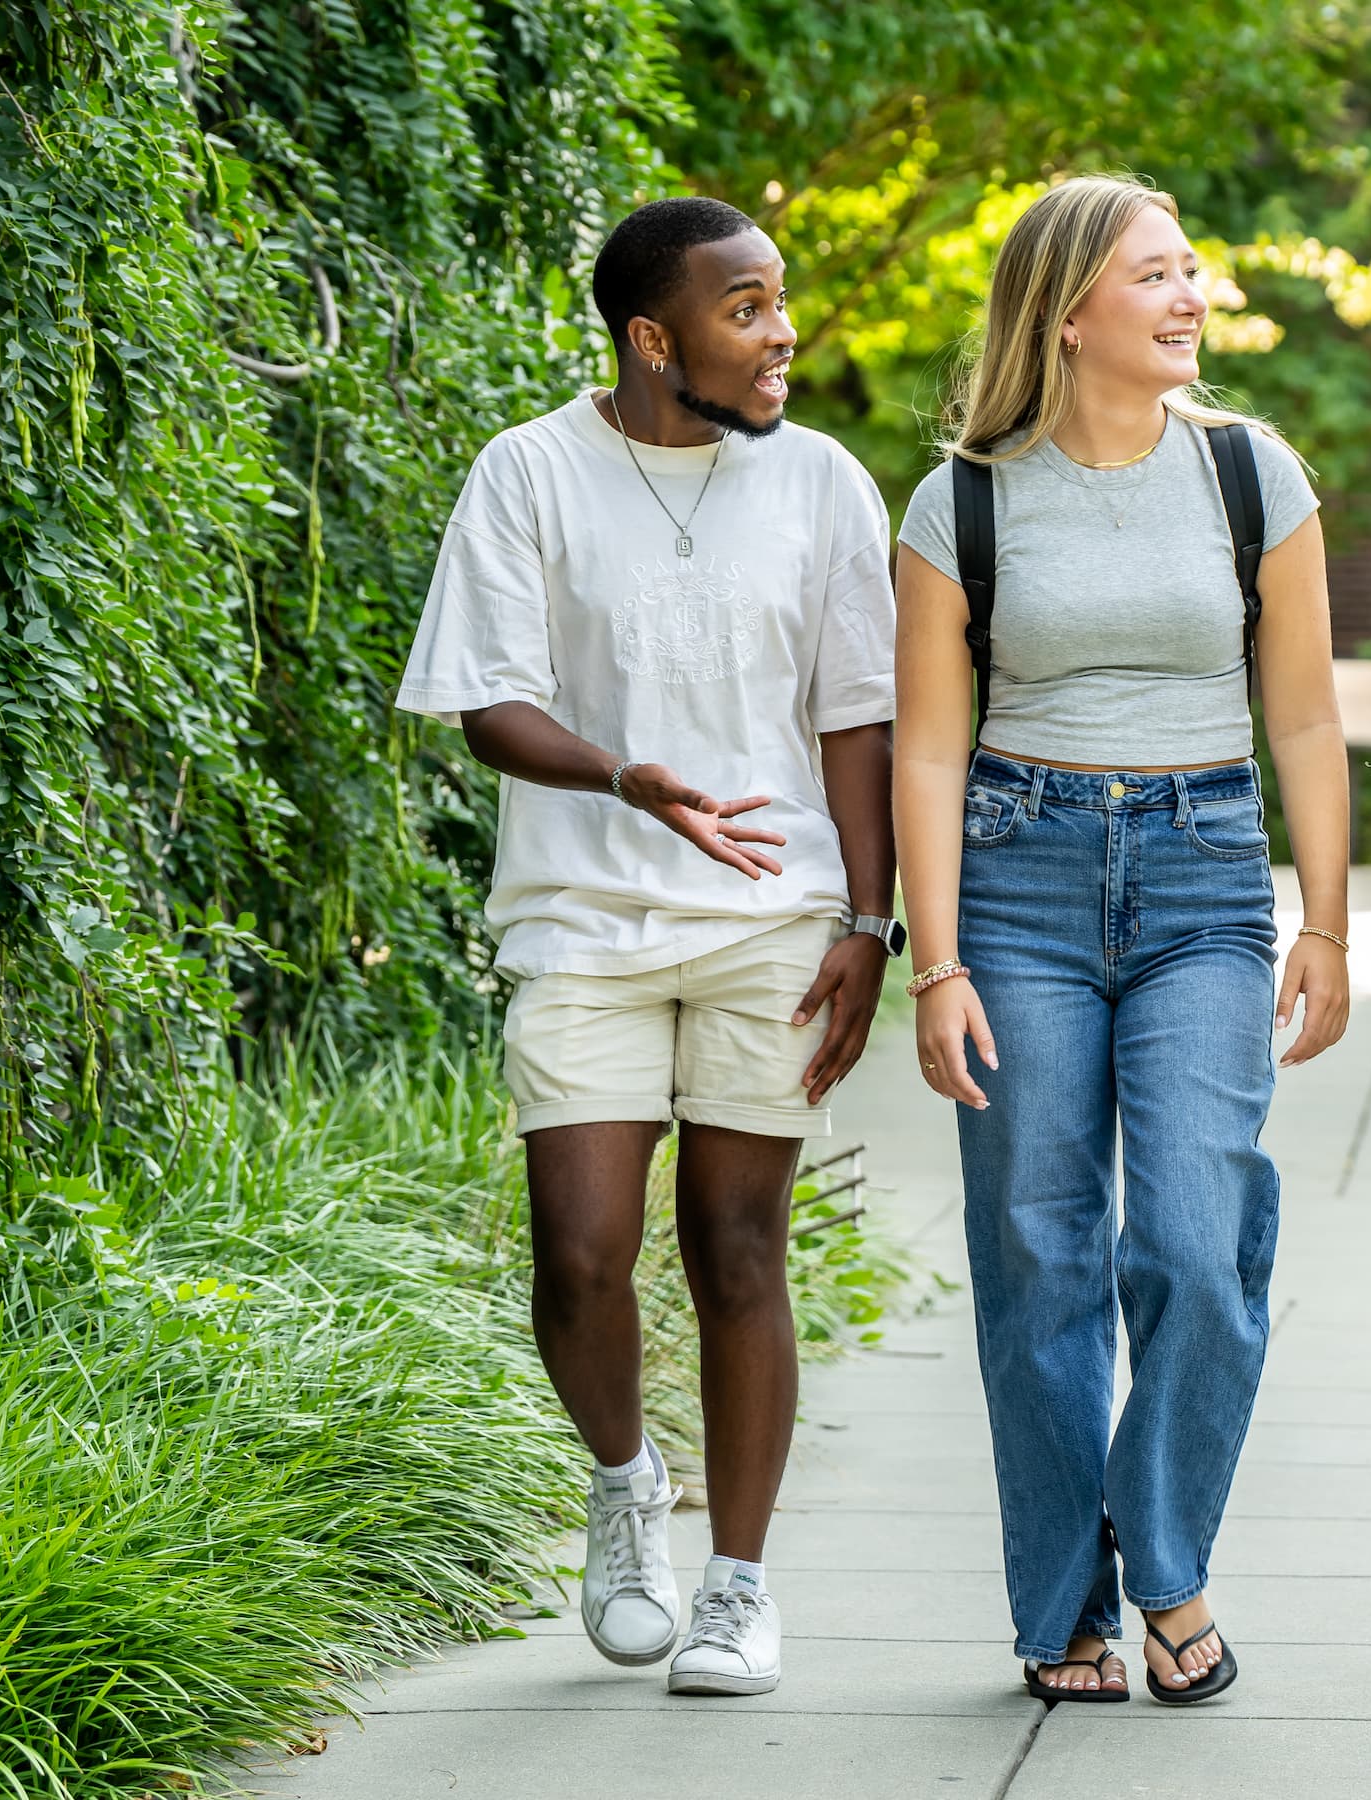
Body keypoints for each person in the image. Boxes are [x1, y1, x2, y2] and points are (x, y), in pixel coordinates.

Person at [395, 196, 901, 1698]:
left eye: (781, 301)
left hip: (772, 919)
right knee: (582, 1255)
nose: (781, 331)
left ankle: (739, 1585)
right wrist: (626, 777)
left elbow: (856, 715)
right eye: (746, 308)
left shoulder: (822, 486)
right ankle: (626, 1490)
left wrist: (869, 921)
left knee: (738, 1250)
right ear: (652, 335)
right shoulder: (530, 472)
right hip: (583, 919)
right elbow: (489, 698)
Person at [889, 175, 1352, 1705]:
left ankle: (1162, 1557)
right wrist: (935, 960)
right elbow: (930, 752)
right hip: (1016, 875)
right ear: (1069, 310)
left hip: (1206, 875)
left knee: (1199, 1242)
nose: (1189, 295)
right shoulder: (960, 497)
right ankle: (1063, 1606)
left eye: (1192, 269)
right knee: (1037, 1250)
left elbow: (1301, 712)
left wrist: (1329, 924)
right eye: (1155, 275)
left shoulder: (1249, 474)